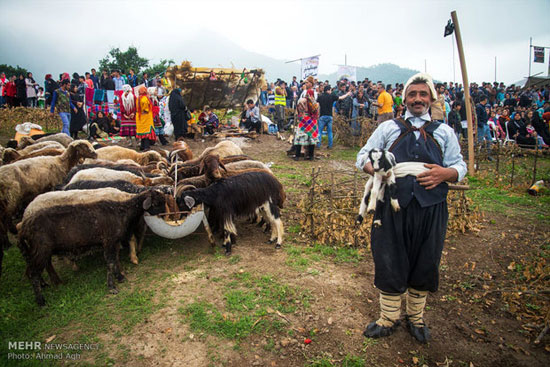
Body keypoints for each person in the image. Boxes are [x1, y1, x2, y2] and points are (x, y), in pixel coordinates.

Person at [356, 73, 466, 344]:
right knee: (389, 256)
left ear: (431, 98)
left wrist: (446, 174)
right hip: (392, 205)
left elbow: (460, 166)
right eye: (413, 94)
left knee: (426, 259)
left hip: (432, 206)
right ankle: (388, 317)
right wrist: (376, 170)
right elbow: (363, 157)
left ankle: (415, 318)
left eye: (423, 94)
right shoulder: (388, 128)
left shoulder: (444, 132)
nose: (418, 99)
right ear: (404, 98)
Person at [292, 90, 320, 160]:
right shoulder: (314, 103)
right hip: (311, 122)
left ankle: (297, 156)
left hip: (304, 121)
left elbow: (299, 111)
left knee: (299, 139)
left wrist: (300, 118)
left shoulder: (302, 102)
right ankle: (310, 156)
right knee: (311, 139)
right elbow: (316, 113)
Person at [135, 86, 157, 151]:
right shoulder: (145, 98)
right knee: (147, 132)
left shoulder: (138, 98)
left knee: (143, 132)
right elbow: (146, 109)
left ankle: (142, 146)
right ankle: (146, 146)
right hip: (146, 118)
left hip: (139, 117)